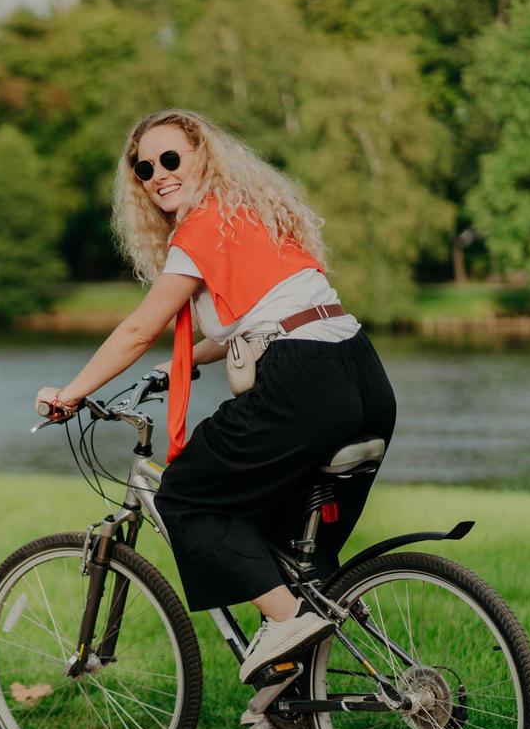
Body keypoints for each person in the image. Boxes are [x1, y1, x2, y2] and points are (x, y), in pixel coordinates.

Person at [35, 109, 397, 684]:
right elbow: (267, 312)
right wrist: (187, 359)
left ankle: (285, 624)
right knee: (286, 542)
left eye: (170, 158)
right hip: (361, 375)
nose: (158, 175)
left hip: (302, 379)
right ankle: (295, 687)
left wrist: (72, 394)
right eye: (143, 167)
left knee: (187, 497)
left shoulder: (202, 227)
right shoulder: (251, 214)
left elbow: (137, 328)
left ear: (204, 155)